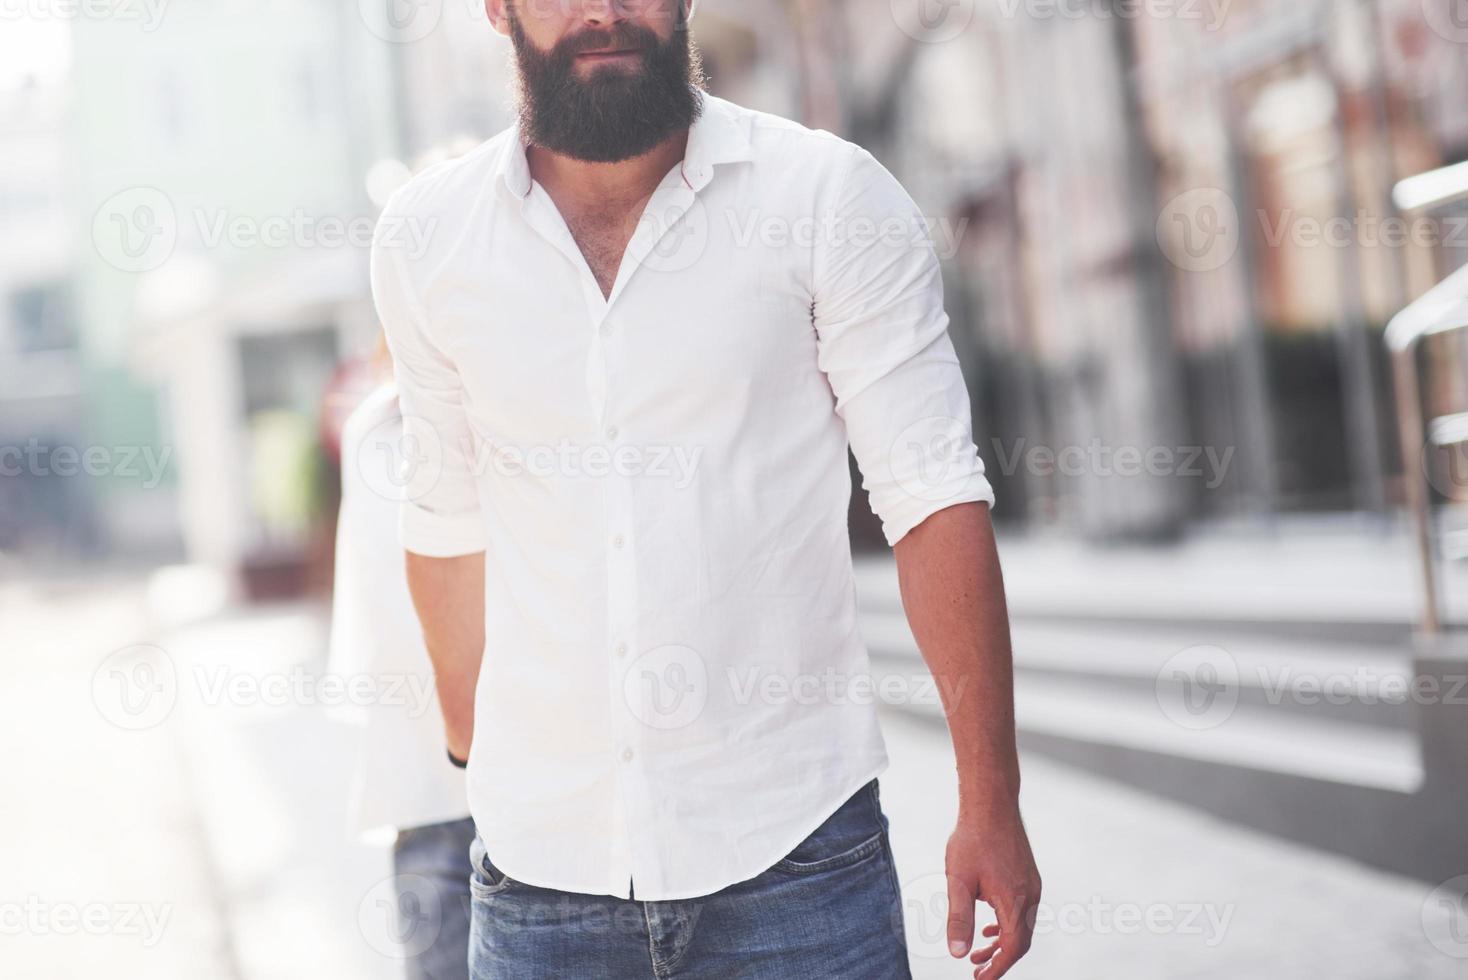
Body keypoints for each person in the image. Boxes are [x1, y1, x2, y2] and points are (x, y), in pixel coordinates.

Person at [370, 1, 1041, 977]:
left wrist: (990, 801)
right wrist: (486, 762)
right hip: (536, 881)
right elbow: (444, 514)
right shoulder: (426, 237)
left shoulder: (825, 196)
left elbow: (931, 491)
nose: (602, 11)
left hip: (798, 859)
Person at [329, 371, 474, 980]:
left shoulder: (528, 404)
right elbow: (369, 619)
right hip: (423, 802)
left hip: (531, 803)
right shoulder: (373, 427)